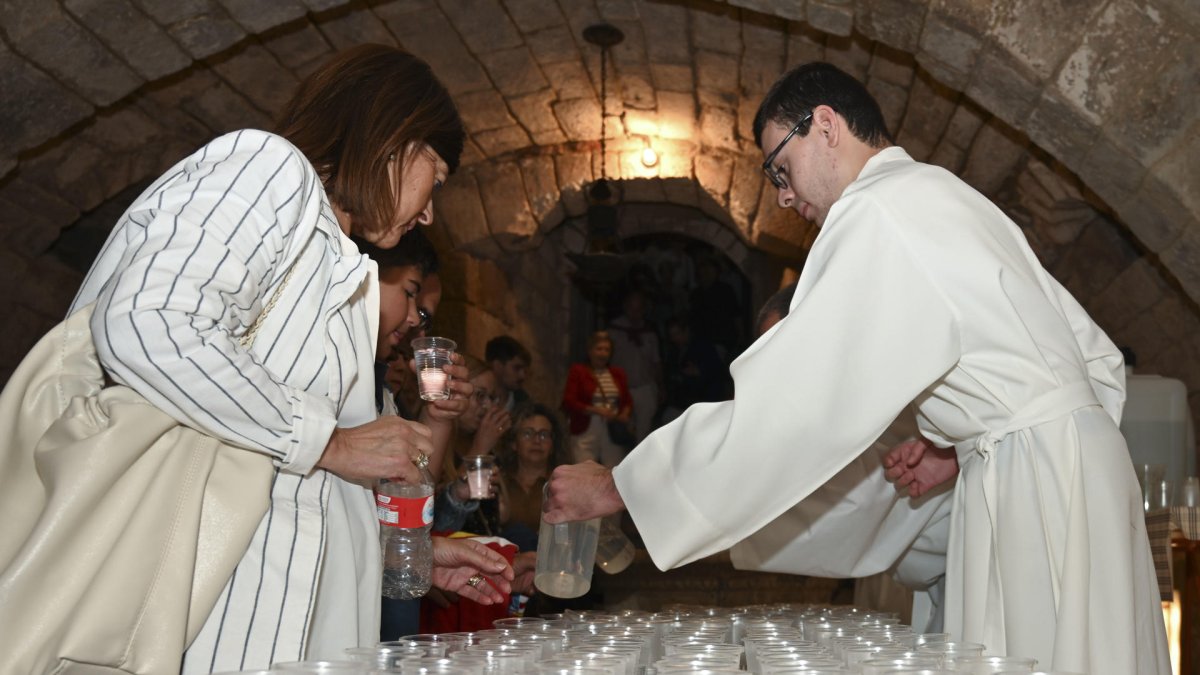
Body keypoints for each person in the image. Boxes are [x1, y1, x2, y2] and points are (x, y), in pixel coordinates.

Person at [545, 62, 1169, 674]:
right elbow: (1094, 363)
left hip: (1035, 485)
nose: (785, 196)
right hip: (1076, 469)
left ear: (825, 125)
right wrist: (959, 439)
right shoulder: (943, 195)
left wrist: (622, 484)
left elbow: (795, 405)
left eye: (780, 170)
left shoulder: (875, 209)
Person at [66, 45, 511, 670]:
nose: (429, 211)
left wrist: (409, 549)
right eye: (434, 179)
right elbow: (147, 322)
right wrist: (334, 443)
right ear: (393, 138)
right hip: (222, 620)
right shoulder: (268, 167)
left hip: (290, 625)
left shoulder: (338, 263)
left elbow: (290, 474)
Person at [730, 281, 952, 631]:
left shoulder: (899, 385)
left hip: (961, 569)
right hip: (901, 580)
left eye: (785, 352)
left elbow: (860, 499)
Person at [496, 401, 569, 551]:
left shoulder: (566, 485)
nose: (536, 441)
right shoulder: (498, 482)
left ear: (553, 445)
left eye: (543, 435)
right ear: (514, 443)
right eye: (528, 433)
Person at [561, 330, 634, 468]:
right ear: (590, 351)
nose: (603, 353)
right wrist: (596, 410)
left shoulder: (617, 373)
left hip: (611, 428)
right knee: (584, 469)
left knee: (613, 470)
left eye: (607, 350)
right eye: (599, 349)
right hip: (586, 426)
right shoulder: (578, 371)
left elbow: (627, 400)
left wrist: (624, 414)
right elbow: (569, 400)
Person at [607, 289, 664, 442]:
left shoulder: (649, 333)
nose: (635, 312)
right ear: (626, 307)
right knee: (620, 432)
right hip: (621, 388)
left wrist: (660, 387)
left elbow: (656, 362)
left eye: (639, 308)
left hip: (645, 387)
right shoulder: (613, 330)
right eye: (632, 308)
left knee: (643, 433)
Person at [486, 334, 532, 411]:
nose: (523, 376)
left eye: (525, 370)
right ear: (498, 366)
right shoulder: (477, 403)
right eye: (517, 368)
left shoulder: (526, 406)